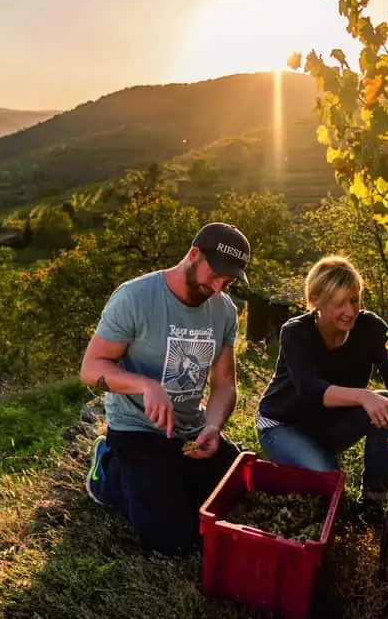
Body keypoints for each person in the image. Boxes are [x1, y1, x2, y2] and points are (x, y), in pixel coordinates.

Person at [80, 222, 249, 556]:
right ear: (193, 255)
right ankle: (108, 471)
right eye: (214, 275)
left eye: (226, 282)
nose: (217, 288)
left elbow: (225, 384)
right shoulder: (135, 297)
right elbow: (91, 368)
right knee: (171, 542)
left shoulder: (225, 310)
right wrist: (145, 385)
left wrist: (213, 427)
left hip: (189, 428)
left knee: (240, 491)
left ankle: (167, 474)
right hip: (138, 427)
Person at [254, 255, 388, 524]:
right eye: (339, 303)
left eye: (354, 300)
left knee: (385, 402)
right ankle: (302, 464)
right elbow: (311, 390)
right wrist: (363, 396)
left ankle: (372, 503)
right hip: (282, 425)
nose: (349, 311)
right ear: (316, 300)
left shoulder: (370, 327)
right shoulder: (295, 332)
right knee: (330, 479)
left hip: (329, 427)